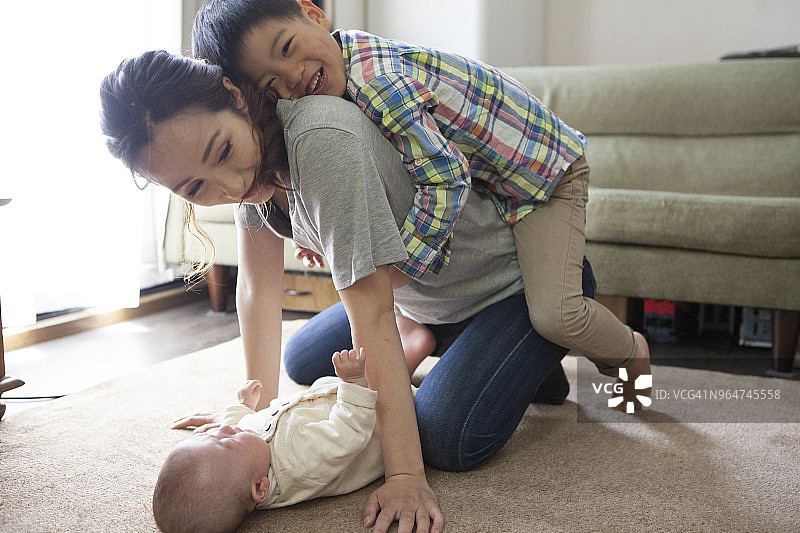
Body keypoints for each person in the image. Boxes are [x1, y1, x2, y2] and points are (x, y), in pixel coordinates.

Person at [100, 50, 602, 533]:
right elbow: (255, 290)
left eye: (224, 152)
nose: (230, 187)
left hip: (512, 286)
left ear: (233, 94)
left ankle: (532, 337)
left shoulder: (319, 139)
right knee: (304, 360)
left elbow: (373, 312)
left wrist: (405, 477)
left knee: (444, 438)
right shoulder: (250, 162)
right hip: (420, 298)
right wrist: (252, 425)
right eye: (194, 188)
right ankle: (513, 365)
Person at [190, 0, 652, 389]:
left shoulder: (378, 85)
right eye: (271, 86)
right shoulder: (322, 100)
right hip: (494, 181)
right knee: (306, 361)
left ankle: (630, 352)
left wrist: (403, 268)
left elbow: (446, 176)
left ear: (314, 15)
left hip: (544, 172)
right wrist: (312, 237)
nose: (293, 76)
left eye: (288, 48)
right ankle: (497, 361)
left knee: (557, 315)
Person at [153, 348, 390, 533]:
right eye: (228, 441)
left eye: (207, 435)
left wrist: (243, 405)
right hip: (380, 414)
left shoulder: (248, 455)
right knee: (387, 367)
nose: (224, 428)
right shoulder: (298, 462)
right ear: (261, 488)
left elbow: (237, 424)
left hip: (327, 394)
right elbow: (348, 432)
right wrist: (354, 383)